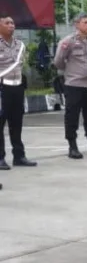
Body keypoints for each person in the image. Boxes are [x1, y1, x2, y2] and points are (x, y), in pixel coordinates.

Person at [54, 13, 87, 159]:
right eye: (85, 22)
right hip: (74, 84)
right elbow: (58, 61)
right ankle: (73, 146)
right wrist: (73, 72)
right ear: (77, 24)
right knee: (72, 116)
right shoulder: (68, 41)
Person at [0, 13, 37, 170]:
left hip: (17, 87)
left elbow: (22, 64)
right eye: (7, 23)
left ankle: (19, 156)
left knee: (17, 123)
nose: (11, 25)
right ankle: (0, 158)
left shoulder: (20, 45)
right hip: (2, 88)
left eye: (13, 23)